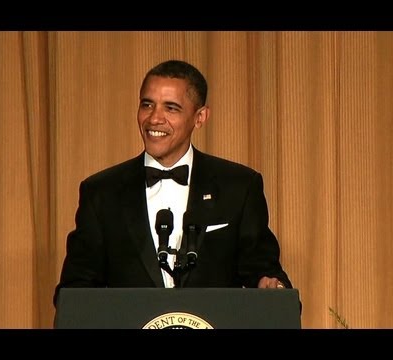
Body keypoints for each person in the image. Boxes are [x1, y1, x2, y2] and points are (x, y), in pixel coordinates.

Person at [53, 59, 293, 306]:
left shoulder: (239, 187)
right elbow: (75, 289)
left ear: (199, 117)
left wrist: (273, 286)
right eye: (147, 105)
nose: (154, 119)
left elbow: (264, 270)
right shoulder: (102, 193)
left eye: (171, 108)